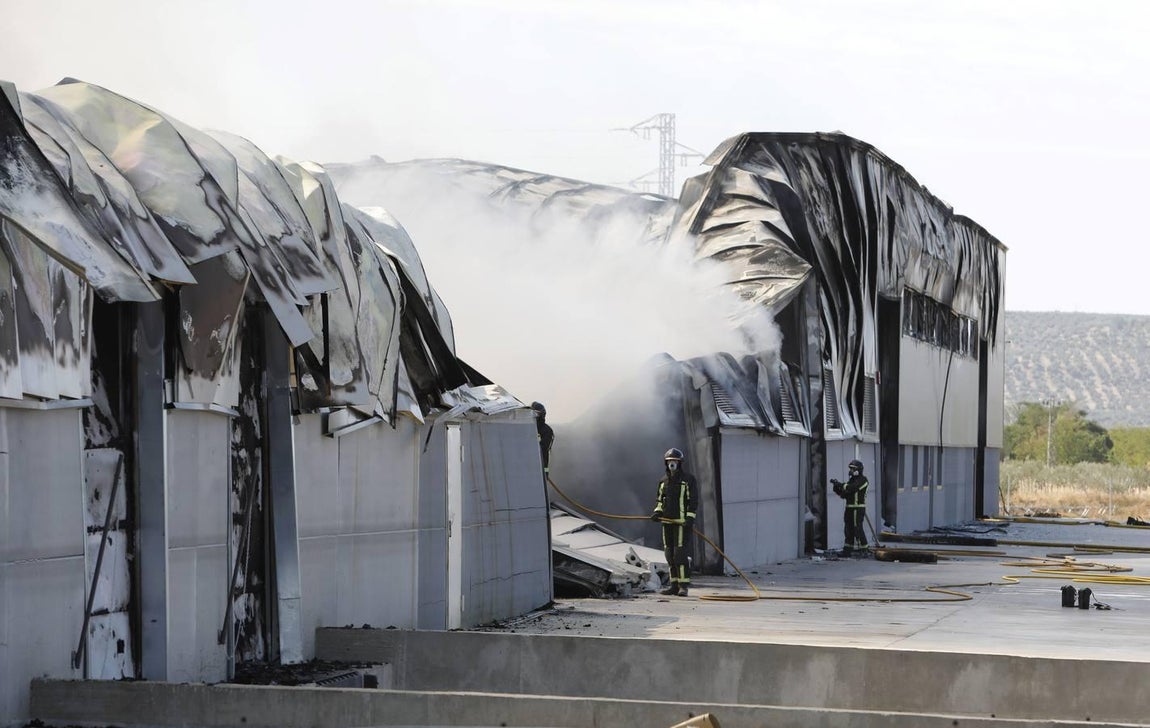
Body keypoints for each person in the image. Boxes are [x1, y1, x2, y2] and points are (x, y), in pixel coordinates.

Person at [650, 447, 698, 596]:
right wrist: (657, 512)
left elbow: (693, 500)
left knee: (679, 554)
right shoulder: (663, 481)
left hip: (682, 523)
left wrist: (690, 517)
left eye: (675, 461)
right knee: (669, 554)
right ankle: (674, 585)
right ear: (666, 463)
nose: (672, 463)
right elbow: (660, 500)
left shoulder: (688, 480)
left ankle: (684, 586)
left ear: (680, 463)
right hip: (667, 523)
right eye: (670, 461)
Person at [830, 459, 869, 555]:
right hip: (849, 508)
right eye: (850, 468)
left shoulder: (863, 480)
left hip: (858, 508)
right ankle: (847, 550)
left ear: (859, 470)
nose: (850, 471)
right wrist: (837, 488)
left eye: (853, 469)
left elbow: (852, 488)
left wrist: (840, 484)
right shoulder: (851, 480)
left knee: (857, 528)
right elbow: (845, 494)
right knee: (848, 529)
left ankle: (864, 549)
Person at [531, 402, 554, 479]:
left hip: (538, 470)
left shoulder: (546, 431)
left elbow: (544, 451)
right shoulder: (528, 428)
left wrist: (545, 471)